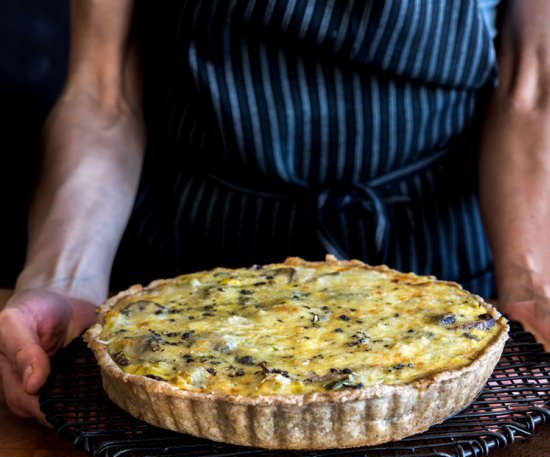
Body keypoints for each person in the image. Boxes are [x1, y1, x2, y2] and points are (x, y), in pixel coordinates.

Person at [1, 0, 549, 423]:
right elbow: (104, 91)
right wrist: (67, 281)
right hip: (183, 293)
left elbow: (532, 90)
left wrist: (531, 286)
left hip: (435, 292)